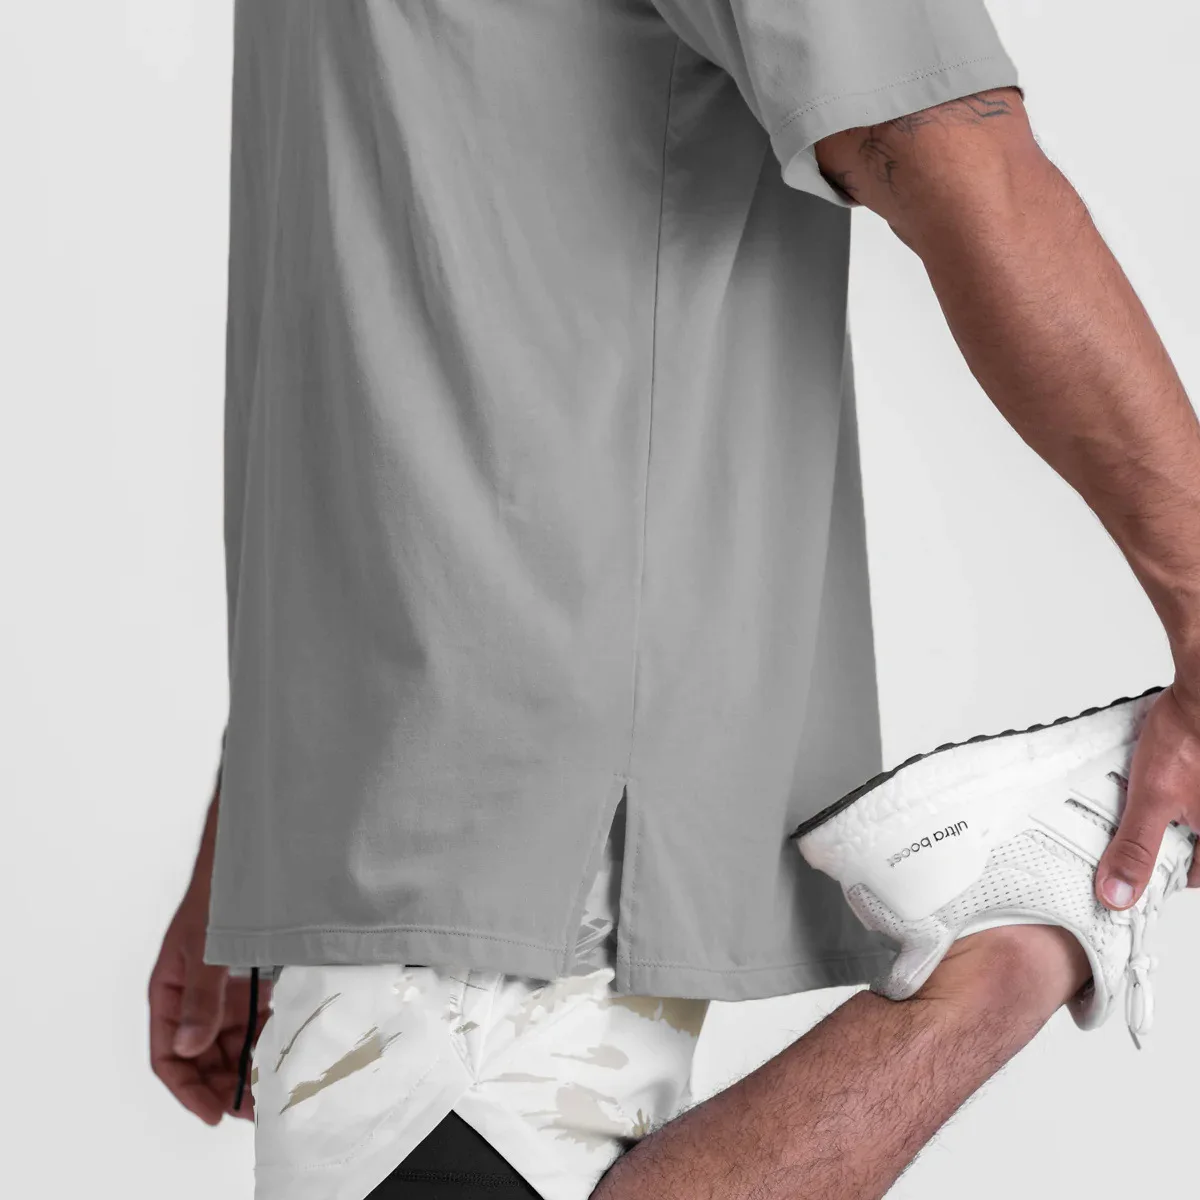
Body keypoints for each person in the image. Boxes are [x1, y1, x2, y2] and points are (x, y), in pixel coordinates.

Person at [148, 2, 1200, 1197]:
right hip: (394, 752)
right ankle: (1030, 924)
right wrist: (262, 813)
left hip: (534, 728)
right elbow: (379, 258)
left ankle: (1031, 926)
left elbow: (943, 142)